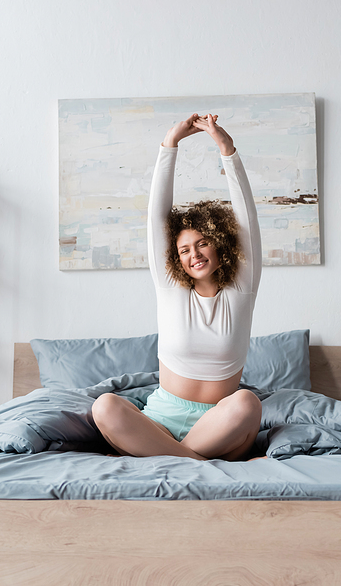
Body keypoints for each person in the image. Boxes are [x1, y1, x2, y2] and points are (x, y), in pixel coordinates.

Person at [92, 113, 263, 461]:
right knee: (105, 406)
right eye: (184, 250)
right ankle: (196, 463)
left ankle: (168, 458)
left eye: (201, 244)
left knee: (246, 401)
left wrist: (226, 148)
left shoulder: (241, 289)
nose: (193, 255)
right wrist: (170, 144)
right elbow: (156, 217)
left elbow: (247, 219)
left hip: (220, 425)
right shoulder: (170, 287)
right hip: (159, 423)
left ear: (218, 243)